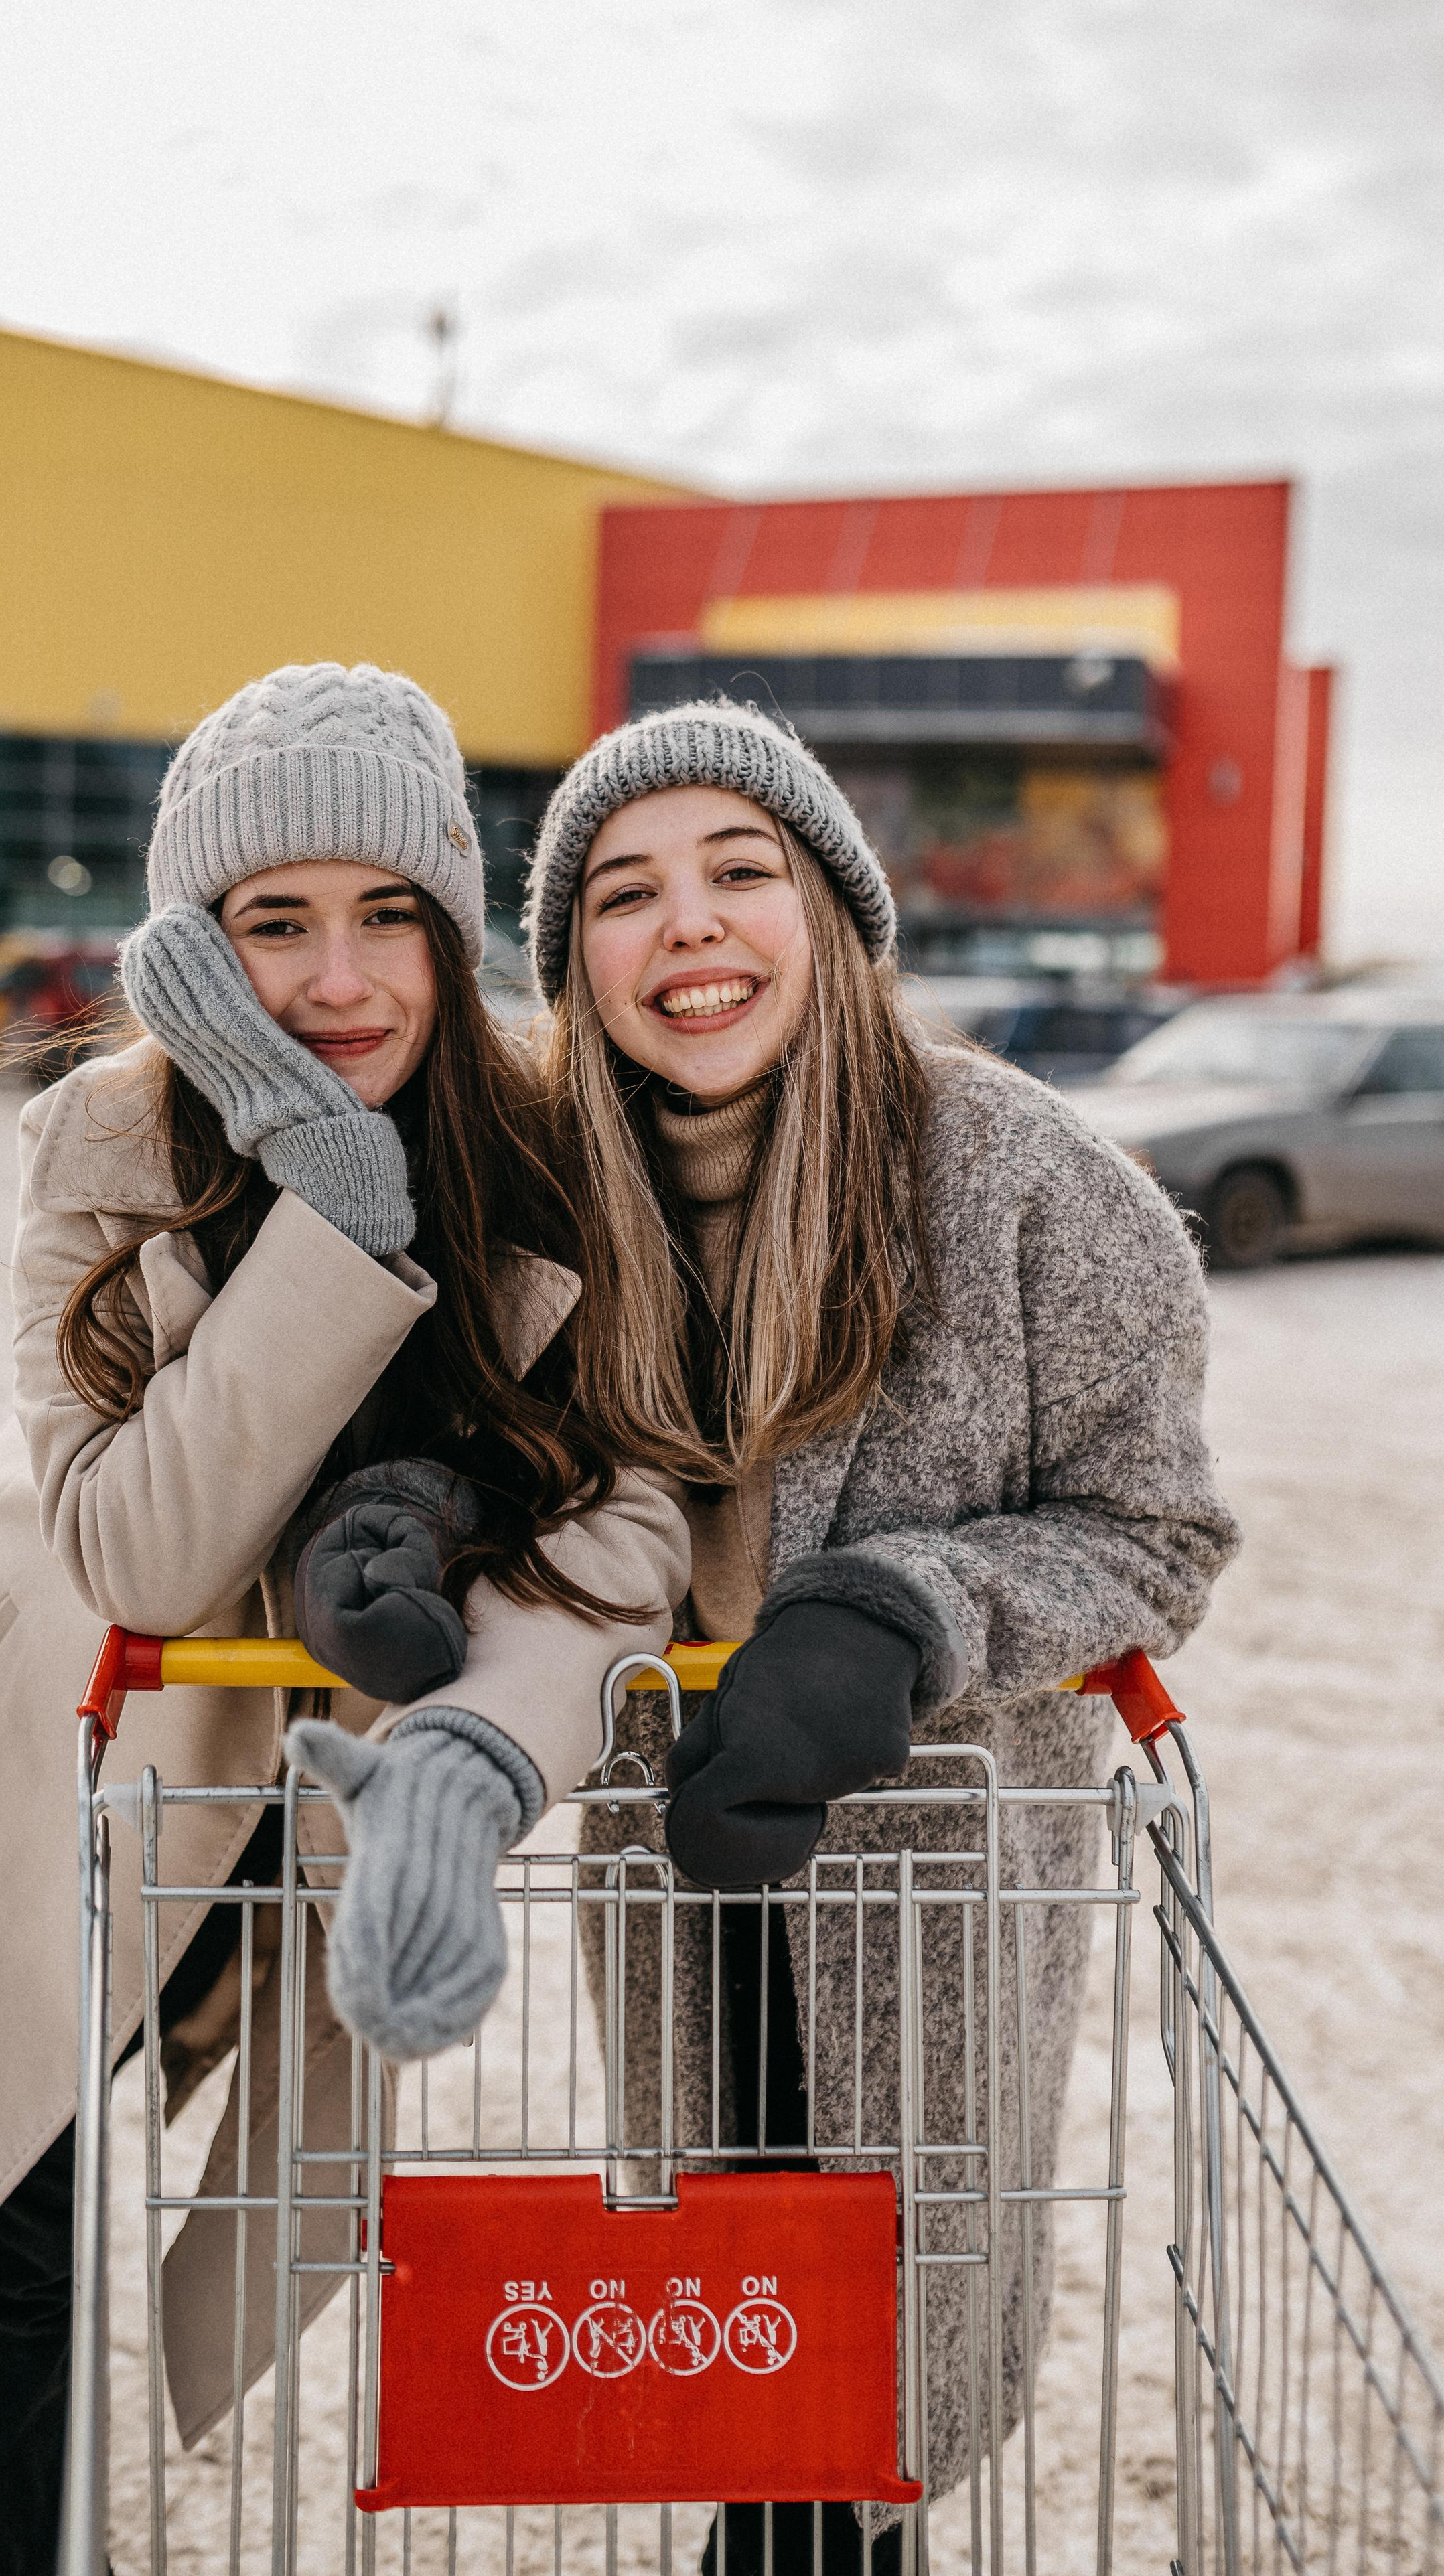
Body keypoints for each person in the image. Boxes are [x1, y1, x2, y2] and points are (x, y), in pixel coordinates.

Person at [0, 664, 687, 2576]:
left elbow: (632, 1480)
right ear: (195, 950)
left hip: (313, 1743)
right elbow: (146, 1548)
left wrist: (457, 1514)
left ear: (444, 924)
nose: (338, 979)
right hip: (64, 1699)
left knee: (127, 2099)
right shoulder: (108, 1140)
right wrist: (332, 1212)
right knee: (9, 2176)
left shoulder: (552, 1151)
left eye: (383, 917)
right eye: (274, 925)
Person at [519, 699, 1241, 2575]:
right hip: (676, 1874)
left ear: (836, 916)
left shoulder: (1027, 1186)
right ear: (574, 961)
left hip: (932, 1906)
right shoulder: (542, 1205)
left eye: (739, 872)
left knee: (881, 2381)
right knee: (731, 2333)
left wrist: (906, 1611)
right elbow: (490, 1461)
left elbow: (1152, 1529)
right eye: (625, 892)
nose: (688, 927)